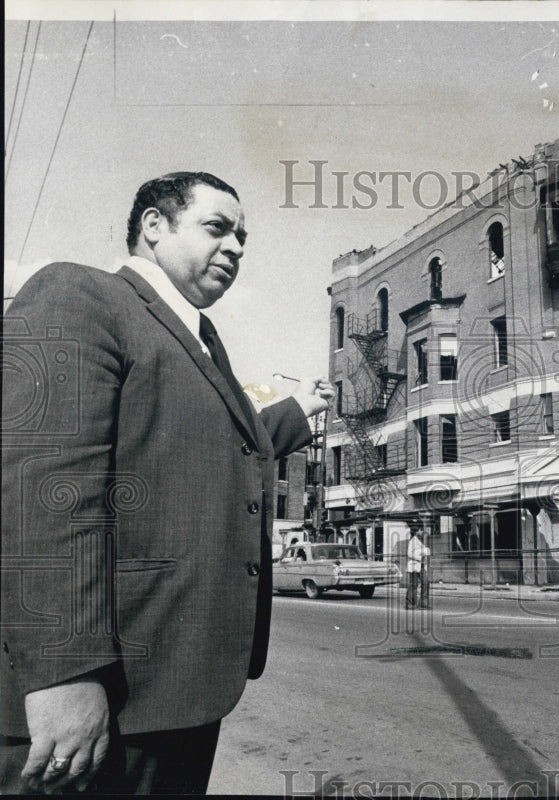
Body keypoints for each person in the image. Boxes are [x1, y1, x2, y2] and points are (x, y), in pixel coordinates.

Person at [0, 172, 334, 794]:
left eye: (243, 237)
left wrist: (295, 412)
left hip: (176, 694)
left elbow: (218, 447)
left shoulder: (197, 340)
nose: (235, 246)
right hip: (99, 701)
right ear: (154, 226)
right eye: (217, 228)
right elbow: (45, 490)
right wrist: (64, 675)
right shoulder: (81, 294)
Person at [405, 527, 431, 609]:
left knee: (426, 582)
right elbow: (409, 554)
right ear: (417, 531)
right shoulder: (412, 541)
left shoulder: (422, 540)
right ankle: (410, 603)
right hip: (414, 565)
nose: (422, 531)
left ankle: (423, 603)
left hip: (422, 565)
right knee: (413, 584)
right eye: (421, 530)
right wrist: (420, 556)